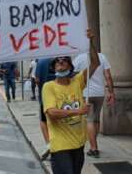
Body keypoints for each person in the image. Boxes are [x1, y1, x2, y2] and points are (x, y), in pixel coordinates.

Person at [43, 29, 100, 174]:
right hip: (60, 146)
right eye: (57, 61)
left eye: (64, 60)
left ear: (70, 65)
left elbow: (95, 63)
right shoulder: (48, 87)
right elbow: (51, 113)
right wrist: (79, 111)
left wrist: (90, 42)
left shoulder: (77, 81)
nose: (61, 62)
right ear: (53, 67)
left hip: (79, 144)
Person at [73, 49, 114, 158]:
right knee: (96, 119)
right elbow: (108, 76)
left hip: (86, 93)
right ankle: (94, 142)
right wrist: (111, 92)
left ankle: (93, 148)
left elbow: (74, 78)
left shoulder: (78, 58)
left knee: (90, 120)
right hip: (99, 93)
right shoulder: (102, 56)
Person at [34, 57, 56, 159]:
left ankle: (49, 144)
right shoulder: (62, 58)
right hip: (60, 97)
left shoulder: (41, 61)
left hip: (45, 97)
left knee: (43, 121)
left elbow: (37, 79)